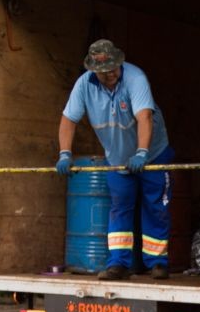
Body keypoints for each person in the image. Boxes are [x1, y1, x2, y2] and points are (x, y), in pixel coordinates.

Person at [56, 39, 174, 280]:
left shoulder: (135, 78)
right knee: (120, 208)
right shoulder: (84, 86)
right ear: (93, 70)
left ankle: (158, 263)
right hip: (117, 159)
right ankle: (118, 263)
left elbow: (144, 117)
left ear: (119, 63)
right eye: (103, 72)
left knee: (156, 207)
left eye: (113, 69)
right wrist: (64, 153)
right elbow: (69, 120)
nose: (110, 74)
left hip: (152, 154)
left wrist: (142, 152)